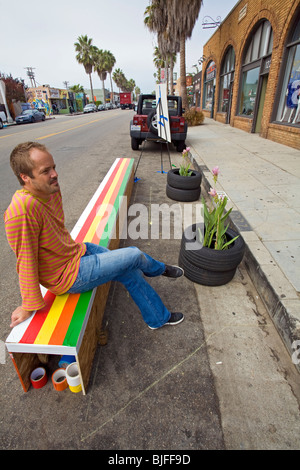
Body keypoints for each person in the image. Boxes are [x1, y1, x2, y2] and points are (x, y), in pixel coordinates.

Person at [4, 142, 184, 330]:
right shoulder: (21, 211)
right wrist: (28, 305)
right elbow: (25, 259)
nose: (55, 174)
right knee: (133, 255)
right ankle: (158, 269)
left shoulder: (48, 190)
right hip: (68, 276)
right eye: (45, 171)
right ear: (25, 177)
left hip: (76, 252)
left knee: (128, 270)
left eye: (54, 167)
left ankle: (157, 318)